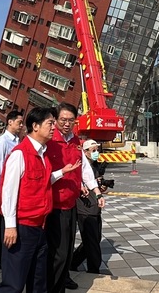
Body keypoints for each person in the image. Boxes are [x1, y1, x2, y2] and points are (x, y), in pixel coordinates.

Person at [0, 107, 80, 293]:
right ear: (35, 126)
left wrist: (61, 172)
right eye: (50, 123)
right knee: (14, 283)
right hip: (22, 227)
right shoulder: (20, 154)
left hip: (40, 225)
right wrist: (10, 226)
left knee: (38, 281)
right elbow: (8, 193)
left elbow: (41, 181)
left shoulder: (43, 154)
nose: (54, 127)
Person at [46, 103, 105, 293]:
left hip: (70, 204)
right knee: (59, 252)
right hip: (54, 205)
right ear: (55, 120)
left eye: (71, 120)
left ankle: (63, 280)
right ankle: (54, 287)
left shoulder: (75, 141)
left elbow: (84, 169)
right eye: (63, 120)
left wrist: (96, 191)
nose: (66, 124)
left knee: (67, 248)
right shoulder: (49, 140)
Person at [0, 110, 24, 269]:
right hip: (4, 189)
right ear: (10, 122)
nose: (21, 125)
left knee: (7, 221)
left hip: (15, 188)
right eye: (19, 122)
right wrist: (0, 192)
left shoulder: (17, 140)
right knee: (5, 222)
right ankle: (2, 258)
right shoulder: (3, 141)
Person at [71, 140, 106, 274]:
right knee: (91, 242)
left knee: (94, 239)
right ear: (85, 152)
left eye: (97, 150)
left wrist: (102, 187)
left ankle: (73, 262)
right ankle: (93, 270)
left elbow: (98, 186)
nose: (96, 153)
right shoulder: (80, 166)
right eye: (93, 150)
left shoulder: (96, 166)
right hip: (84, 207)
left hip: (95, 207)